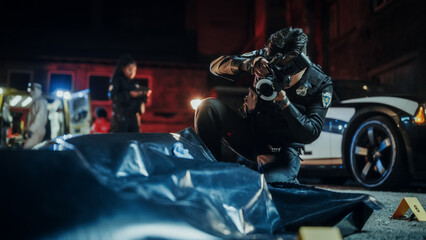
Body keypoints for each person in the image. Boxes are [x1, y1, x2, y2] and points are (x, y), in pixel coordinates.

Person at [194, 27, 333, 183]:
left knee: (271, 188)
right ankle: (208, 174)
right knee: (208, 107)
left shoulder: (320, 82)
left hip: (282, 151)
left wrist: (284, 102)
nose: (276, 71)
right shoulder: (265, 57)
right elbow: (215, 66)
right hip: (251, 135)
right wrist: (249, 64)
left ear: (299, 60)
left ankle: (282, 179)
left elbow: (311, 132)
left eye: (282, 67)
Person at [108, 55, 150, 133]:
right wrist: (129, 94)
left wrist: (144, 96)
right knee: (121, 140)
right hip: (121, 118)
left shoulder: (134, 84)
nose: (132, 72)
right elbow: (113, 97)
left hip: (134, 118)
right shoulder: (117, 81)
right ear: (123, 69)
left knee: (134, 140)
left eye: (134, 70)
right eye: (129, 69)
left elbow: (141, 99)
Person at [24, 83, 48, 149]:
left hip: (36, 131)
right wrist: (27, 129)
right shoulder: (36, 101)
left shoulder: (40, 101)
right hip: (35, 130)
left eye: (32, 89)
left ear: (36, 90)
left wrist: (31, 129)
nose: (30, 91)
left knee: (28, 149)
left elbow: (39, 117)